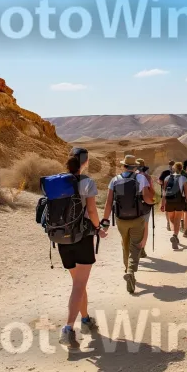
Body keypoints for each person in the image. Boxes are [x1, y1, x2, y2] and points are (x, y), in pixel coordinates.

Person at [58, 148, 108, 348]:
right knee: (79, 285)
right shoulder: (87, 182)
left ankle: (86, 320)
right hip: (82, 238)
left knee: (79, 283)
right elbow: (92, 210)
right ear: (85, 163)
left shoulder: (56, 182)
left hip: (61, 239)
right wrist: (99, 229)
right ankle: (68, 329)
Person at [103, 155, 151, 294]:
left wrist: (105, 221)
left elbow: (108, 202)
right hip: (137, 218)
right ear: (135, 167)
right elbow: (147, 199)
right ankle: (130, 271)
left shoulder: (115, 180)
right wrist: (152, 200)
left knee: (125, 243)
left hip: (120, 219)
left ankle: (127, 269)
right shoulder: (140, 178)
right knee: (135, 245)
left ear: (124, 166)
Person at [160, 162, 187, 249]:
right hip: (179, 201)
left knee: (172, 219)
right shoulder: (183, 178)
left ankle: (175, 234)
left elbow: (164, 193)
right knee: (177, 219)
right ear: (181, 169)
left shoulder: (167, 178)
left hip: (169, 202)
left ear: (173, 168)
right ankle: (175, 235)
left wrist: (163, 204)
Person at [136, 158, 155, 258]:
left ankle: (133, 248)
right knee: (145, 227)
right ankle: (142, 249)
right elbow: (152, 192)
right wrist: (153, 200)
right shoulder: (147, 177)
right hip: (144, 205)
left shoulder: (130, 176)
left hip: (132, 206)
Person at [158, 160, 174, 231]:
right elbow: (159, 181)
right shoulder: (177, 172)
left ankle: (169, 222)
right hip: (172, 193)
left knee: (168, 209)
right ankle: (171, 222)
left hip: (168, 193)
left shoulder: (166, 172)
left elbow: (160, 181)